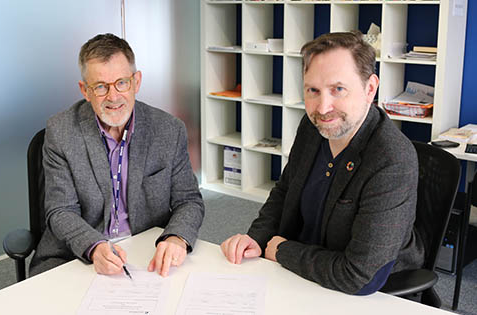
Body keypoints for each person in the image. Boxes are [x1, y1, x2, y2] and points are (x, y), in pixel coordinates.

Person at [220, 31, 424, 295]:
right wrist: (257, 238)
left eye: (338, 89)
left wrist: (282, 250)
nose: (323, 107)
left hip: (368, 294)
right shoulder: (312, 127)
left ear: (369, 88)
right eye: (312, 90)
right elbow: (284, 192)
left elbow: (359, 277)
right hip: (305, 273)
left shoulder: (392, 159)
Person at [29, 33, 204, 278]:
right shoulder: (61, 132)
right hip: (77, 254)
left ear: (136, 81)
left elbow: (189, 200)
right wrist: (94, 246)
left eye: (122, 82)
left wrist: (176, 237)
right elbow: (60, 211)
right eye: (101, 87)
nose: (113, 97)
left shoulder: (169, 130)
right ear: (85, 91)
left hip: (147, 252)